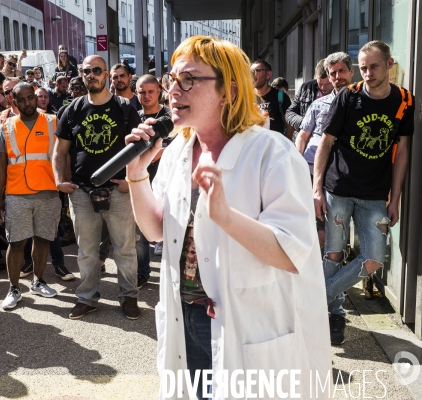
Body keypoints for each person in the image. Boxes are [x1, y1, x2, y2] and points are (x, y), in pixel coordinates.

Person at [126, 36, 331, 398]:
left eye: (188, 79)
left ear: (229, 91)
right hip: (184, 317)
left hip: (246, 326)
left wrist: (225, 215)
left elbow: (292, 252)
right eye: (172, 78)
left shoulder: (273, 154)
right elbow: (156, 231)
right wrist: (136, 176)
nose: (173, 90)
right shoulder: (176, 152)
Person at [313, 40, 414, 345]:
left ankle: (314, 297)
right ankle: (335, 315)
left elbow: (403, 152)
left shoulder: (404, 102)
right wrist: (317, 187)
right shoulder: (349, 95)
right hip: (338, 189)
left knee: (373, 259)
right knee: (333, 254)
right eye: (363, 67)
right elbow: (326, 142)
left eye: (374, 67)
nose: (367, 73)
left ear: (389, 65)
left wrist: (395, 198)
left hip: (374, 195)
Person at [53, 55, 142, 320]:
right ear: (80, 74)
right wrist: (59, 180)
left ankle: (129, 297)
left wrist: (132, 182)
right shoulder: (72, 109)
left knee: (125, 249)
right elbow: (60, 151)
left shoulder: (125, 108)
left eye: (96, 70)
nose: (91, 74)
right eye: (86, 71)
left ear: (106, 75)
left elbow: (141, 150)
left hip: (118, 191)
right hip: (82, 192)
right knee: (87, 251)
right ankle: (87, 298)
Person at [0, 82, 62, 309]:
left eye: (30, 98)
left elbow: (63, 156)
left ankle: (38, 281)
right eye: (20, 100)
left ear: (37, 97)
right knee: (16, 243)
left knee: (43, 240)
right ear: (13, 101)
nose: (27, 103)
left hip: (49, 191)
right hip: (17, 193)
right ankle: (14, 288)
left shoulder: (53, 122)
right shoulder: (6, 126)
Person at [295, 52, 354, 251]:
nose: (338, 77)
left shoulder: (361, 104)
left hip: (342, 173)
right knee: (318, 227)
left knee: (334, 227)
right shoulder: (318, 104)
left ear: (351, 72)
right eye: (333, 73)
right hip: (312, 171)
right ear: (328, 77)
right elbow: (303, 135)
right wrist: (296, 163)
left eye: (342, 71)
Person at [135, 74, 171, 287]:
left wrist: (155, 153)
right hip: (141, 182)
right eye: (142, 92)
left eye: (150, 91)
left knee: (170, 230)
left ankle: (172, 276)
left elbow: (177, 147)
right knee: (140, 234)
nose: (146, 96)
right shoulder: (133, 116)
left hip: (166, 182)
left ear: (159, 91)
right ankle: (142, 272)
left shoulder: (170, 116)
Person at [285, 59, 333, 138]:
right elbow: (290, 113)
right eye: (320, 83)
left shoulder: (340, 92)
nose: (323, 87)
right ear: (316, 77)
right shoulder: (306, 87)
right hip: (303, 140)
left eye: (328, 84)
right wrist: (305, 123)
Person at [251, 60, 294, 139]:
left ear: (268, 74)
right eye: (251, 71)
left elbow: (290, 127)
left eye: (257, 71)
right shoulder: (247, 98)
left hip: (274, 148)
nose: (253, 74)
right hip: (253, 148)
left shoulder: (281, 96)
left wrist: (285, 145)